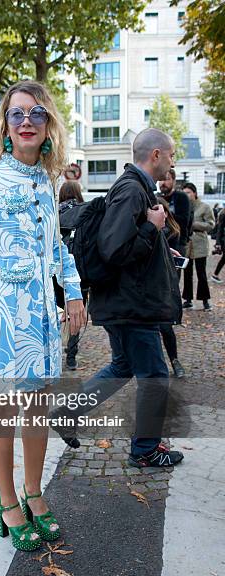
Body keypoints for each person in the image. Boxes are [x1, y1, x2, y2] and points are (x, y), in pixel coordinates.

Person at [0, 80, 85, 551]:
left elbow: (57, 248)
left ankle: (34, 491)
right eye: (16, 115)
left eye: (35, 114)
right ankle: (8, 501)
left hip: (41, 320)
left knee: (36, 410)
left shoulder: (47, 184)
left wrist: (72, 292)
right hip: (0, 320)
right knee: (0, 414)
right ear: (6, 129)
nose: (26, 121)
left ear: (48, 125)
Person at [68, 128, 185, 468]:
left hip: (127, 302)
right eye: (172, 154)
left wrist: (160, 245)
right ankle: (145, 448)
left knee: (123, 366)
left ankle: (67, 413)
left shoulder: (135, 189)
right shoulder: (133, 190)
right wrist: (153, 228)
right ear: (156, 156)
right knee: (154, 377)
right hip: (132, 305)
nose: (173, 161)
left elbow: (126, 242)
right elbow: (114, 248)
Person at [58, 180, 88, 370]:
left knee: (57, 313)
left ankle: (53, 348)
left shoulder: (54, 211)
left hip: (55, 273)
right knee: (75, 314)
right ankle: (71, 355)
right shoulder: (84, 212)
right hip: (78, 273)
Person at [157, 196, 186, 378]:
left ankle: (174, 360)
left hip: (166, 285)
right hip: (150, 289)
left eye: (164, 211)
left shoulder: (172, 232)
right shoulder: (149, 231)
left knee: (166, 327)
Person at [182, 182, 215, 310]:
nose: (186, 195)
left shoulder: (205, 207)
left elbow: (211, 224)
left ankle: (205, 300)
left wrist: (195, 225)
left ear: (194, 193)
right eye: (184, 193)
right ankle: (188, 299)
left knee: (201, 274)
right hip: (187, 244)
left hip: (200, 244)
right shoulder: (184, 207)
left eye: (188, 192)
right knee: (187, 273)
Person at [159, 168, 191, 256]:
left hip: (178, 242)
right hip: (159, 242)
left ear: (173, 181)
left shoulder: (181, 197)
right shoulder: (156, 198)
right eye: (161, 179)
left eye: (167, 179)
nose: (163, 182)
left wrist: (166, 214)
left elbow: (185, 220)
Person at [212, 207, 225, 283]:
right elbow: (219, 229)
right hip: (224, 240)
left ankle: (215, 274)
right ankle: (215, 274)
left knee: (223, 259)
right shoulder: (223, 214)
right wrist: (218, 243)